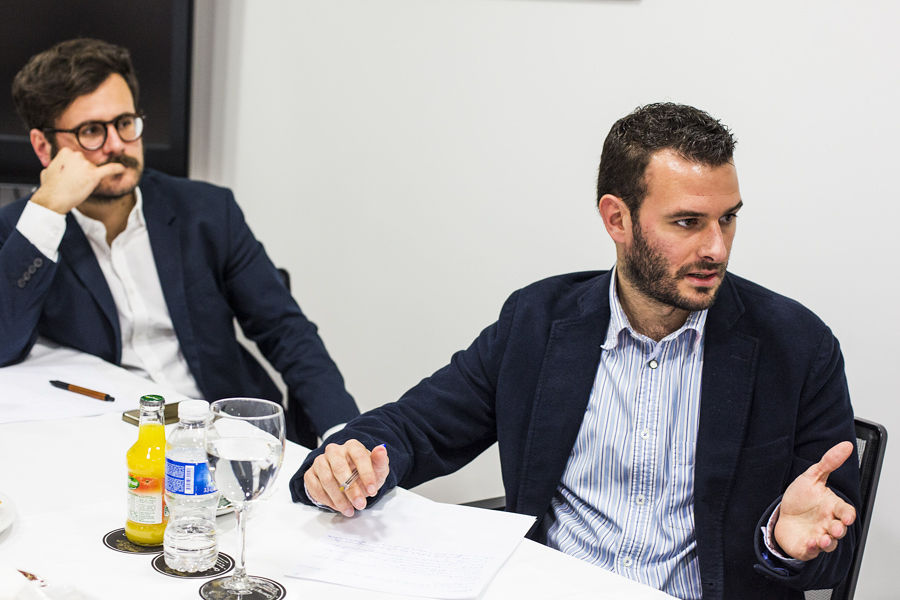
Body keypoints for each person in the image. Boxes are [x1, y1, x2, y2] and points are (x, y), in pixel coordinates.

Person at [291, 103, 861, 599]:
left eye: (728, 219)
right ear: (617, 218)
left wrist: (786, 542)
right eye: (687, 222)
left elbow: (835, 550)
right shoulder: (538, 323)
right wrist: (348, 457)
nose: (716, 247)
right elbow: (419, 428)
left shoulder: (796, 345)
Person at [0, 38, 359, 447]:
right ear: (44, 147)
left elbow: (286, 330)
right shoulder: (23, 232)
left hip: (229, 434)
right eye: (91, 132)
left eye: (125, 123)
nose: (117, 144)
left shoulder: (206, 211)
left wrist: (343, 433)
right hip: (112, 445)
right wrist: (47, 210)